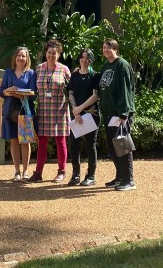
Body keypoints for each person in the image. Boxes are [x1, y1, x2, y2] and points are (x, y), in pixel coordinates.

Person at [30, 39, 70, 183]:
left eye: (54, 53)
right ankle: (38, 173)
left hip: (59, 110)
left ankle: (62, 171)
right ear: (46, 53)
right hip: (43, 110)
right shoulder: (39, 68)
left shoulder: (64, 69)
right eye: (49, 53)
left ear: (58, 55)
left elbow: (71, 90)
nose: (51, 55)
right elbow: (33, 88)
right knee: (42, 142)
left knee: (61, 141)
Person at [98, 38, 136, 192]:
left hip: (120, 114)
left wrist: (123, 113)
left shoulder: (122, 65)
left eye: (109, 47)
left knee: (123, 146)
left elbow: (126, 90)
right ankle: (120, 177)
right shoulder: (106, 66)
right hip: (108, 114)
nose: (106, 50)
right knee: (113, 148)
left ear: (116, 49)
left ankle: (129, 180)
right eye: (104, 47)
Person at [0, 46, 37, 180]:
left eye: (23, 56)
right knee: (14, 140)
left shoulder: (31, 73)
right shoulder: (8, 73)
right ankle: (16, 172)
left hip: (25, 110)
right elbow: (1, 91)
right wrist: (8, 90)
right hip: (10, 111)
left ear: (27, 59)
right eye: (19, 55)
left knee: (25, 141)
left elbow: (34, 94)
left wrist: (21, 94)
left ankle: (26, 171)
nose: (21, 58)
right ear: (15, 57)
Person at [67, 48, 101, 186]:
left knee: (90, 145)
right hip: (76, 115)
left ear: (91, 60)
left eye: (87, 58)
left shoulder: (95, 75)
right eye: (82, 57)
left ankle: (91, 175)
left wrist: (80, 109)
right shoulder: (74, 75)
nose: (84, 60)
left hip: (91, 114)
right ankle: (76, 174)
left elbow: (95, 95)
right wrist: (75, 112)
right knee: (74, 145)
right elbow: (70, 93)